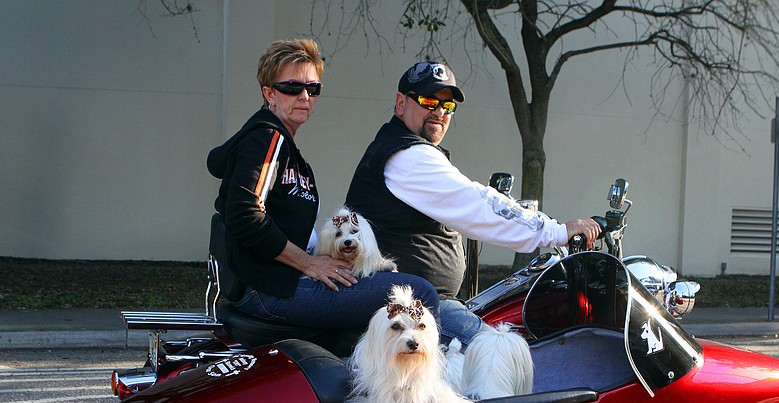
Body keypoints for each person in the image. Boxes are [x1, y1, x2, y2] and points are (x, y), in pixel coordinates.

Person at [345, 60, 600, 344]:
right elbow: (477, 203)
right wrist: (556, 232)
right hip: (407, 310)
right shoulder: (407, 156)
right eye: (429, 101)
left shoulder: (400, 146)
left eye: (448, 106)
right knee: (500, 356)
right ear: (400, 103)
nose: (439, 112)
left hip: (421, 301)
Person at [208, 40, 439, 333]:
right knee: (419, 294)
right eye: (292, 87)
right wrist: (309, 264)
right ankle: (426, 379)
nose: (304, 96)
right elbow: (245, 214)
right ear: (269, 93)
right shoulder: (267, 139)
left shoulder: (282, 146)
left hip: (274, 283)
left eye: (312, 89)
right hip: (267, 288)